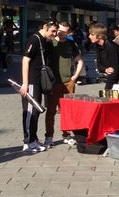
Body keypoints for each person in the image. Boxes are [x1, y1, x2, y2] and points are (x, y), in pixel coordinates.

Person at [44, 21, 84, 148]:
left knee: (67, 111)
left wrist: (75, 76)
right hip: (54, 82)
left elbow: (79, 60)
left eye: (66, 32)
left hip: (68, 82)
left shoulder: (71, 43)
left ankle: (66, 135)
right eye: (60, 31)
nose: (62, 34)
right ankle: (49, 137)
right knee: (51, 110)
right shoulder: (50, 43)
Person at [19, 20, 58, 152]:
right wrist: (25, 83)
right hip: (31, 81)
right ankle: (28, 142)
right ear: (45, 27)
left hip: (38, 81)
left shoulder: (43, 40)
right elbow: (25, 60)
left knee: (36, 111)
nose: (55, 33)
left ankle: (33, 139)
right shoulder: (34, 39)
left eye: (56, 31)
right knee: (31, 112)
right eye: (53, 31)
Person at [89, 23, 119, 90]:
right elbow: (99, 64)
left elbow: (115, 68)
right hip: (110, 74)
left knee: (111, 95)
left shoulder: (111, 47)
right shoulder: (98, 46)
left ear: (100, 36)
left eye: (92, 35)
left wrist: (108, 88)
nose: (89, 36)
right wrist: (105, 69)